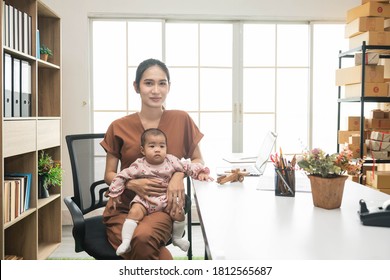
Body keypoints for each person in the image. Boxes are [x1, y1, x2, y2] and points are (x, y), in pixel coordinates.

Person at [100, 58, 207, 260]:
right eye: (148, 83)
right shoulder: (118, 126)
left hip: (164, 208)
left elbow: (198, 160)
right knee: (146, 245)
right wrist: (132, 184)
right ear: (136, 87)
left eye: (162, 83)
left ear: (169, 87)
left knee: (142, 237)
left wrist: (178, 175)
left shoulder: (181, 119)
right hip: (123, 209)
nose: (156, 90)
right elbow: (109, 175)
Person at [106, 128, 212, 256]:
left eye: (162, 146)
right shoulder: (139, 165)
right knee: (134, 212)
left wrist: (201, 173)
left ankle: (177, 238)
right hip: (144, 200)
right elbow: (121, 176)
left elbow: (188, 167)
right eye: (152, 146)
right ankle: (126, 242)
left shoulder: (171, 161)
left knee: (178, 212)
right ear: (142, 150)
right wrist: (115, 193)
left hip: (165, 199)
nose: (157, 149)